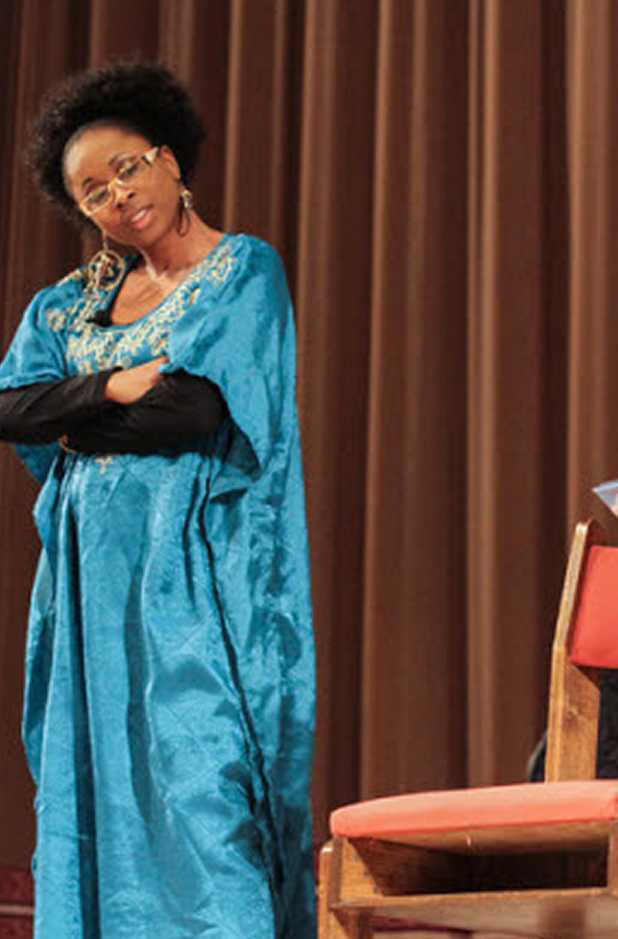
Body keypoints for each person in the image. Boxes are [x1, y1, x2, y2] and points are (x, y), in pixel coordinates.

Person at [0, 62, 315, 937]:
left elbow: (197, 410)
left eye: (127, 169)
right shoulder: (71, 305)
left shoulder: (242, 270)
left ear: (169, 160)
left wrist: (74, 416)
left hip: (193, 581)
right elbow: (9, 406)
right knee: (93, 782)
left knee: (200, 778)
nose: (118, 196)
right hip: (88, 595)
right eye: (93, 192)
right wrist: (109, 388)